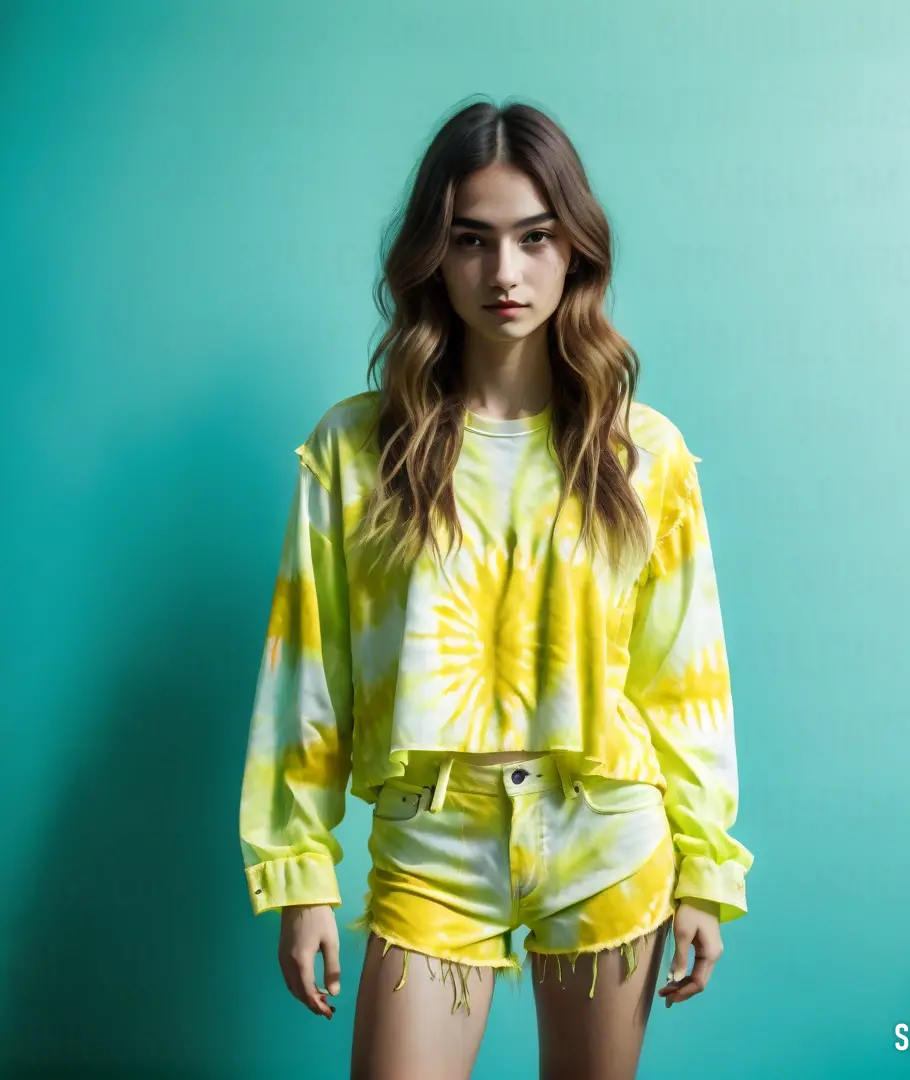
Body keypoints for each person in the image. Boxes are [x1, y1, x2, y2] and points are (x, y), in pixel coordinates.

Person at [238, 97, 754, 1080]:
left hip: (605, 835)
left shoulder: (646, 452)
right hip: (433, 845)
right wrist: (298, 873)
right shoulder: (355, 448)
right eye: (472, 241)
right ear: (435, 254)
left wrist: (707, 868)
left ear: (577, 252)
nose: (505, 274)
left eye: (534, 238)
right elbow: (306, 670)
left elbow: (684, 677)